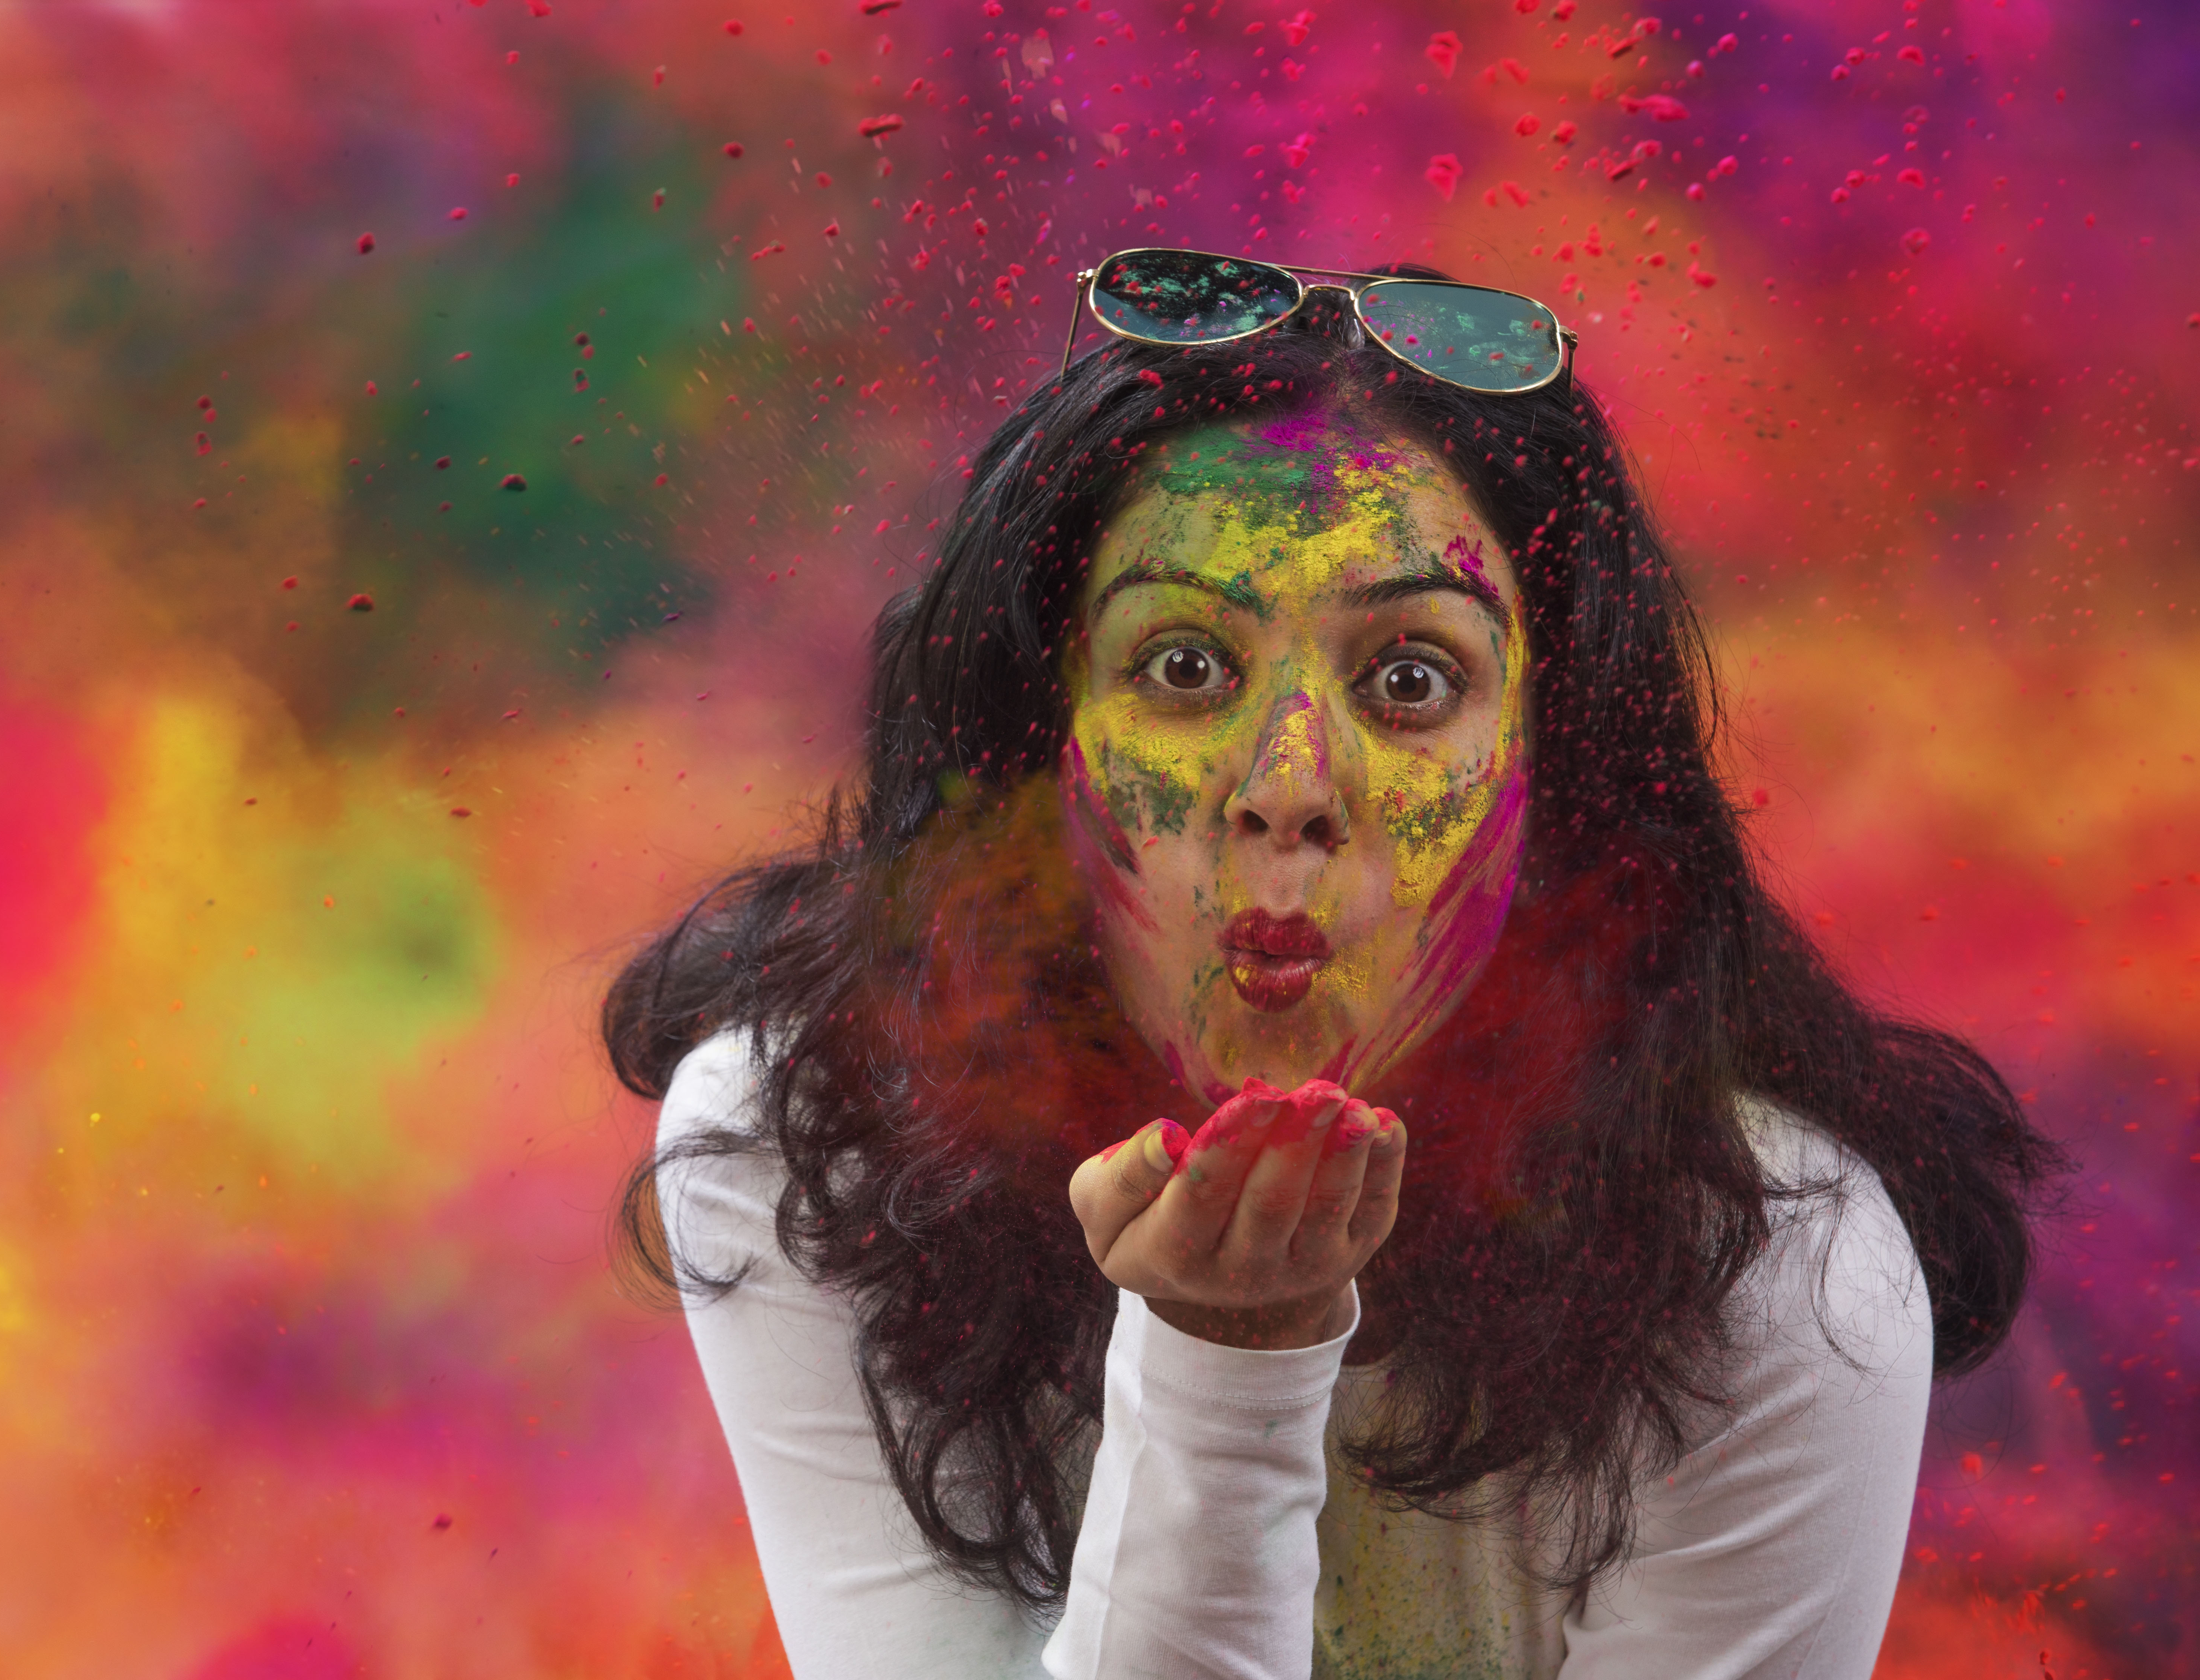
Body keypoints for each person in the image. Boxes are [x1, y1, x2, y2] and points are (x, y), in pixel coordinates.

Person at [603, 257, 2063, 1678]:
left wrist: (1233, 1354)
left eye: (1411, 680)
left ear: (1558, 784)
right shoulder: (814, 1142)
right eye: (1182, 666)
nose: (1289, 785)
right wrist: (1222, 1359)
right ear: (1035, 745)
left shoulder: (1780, 1271)